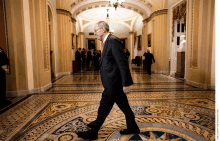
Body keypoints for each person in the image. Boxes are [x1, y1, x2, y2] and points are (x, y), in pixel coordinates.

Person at [77, 21, 140, 140]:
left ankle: (93, 132)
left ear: (103, 29)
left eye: (96, 30)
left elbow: (122, 62)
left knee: (103, 107)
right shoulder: (106, 42)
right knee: (125, 107)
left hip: (113, 83)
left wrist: (126, 83)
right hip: (112, 82)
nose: (95, 33)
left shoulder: (112, 40)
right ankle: (133, 127)